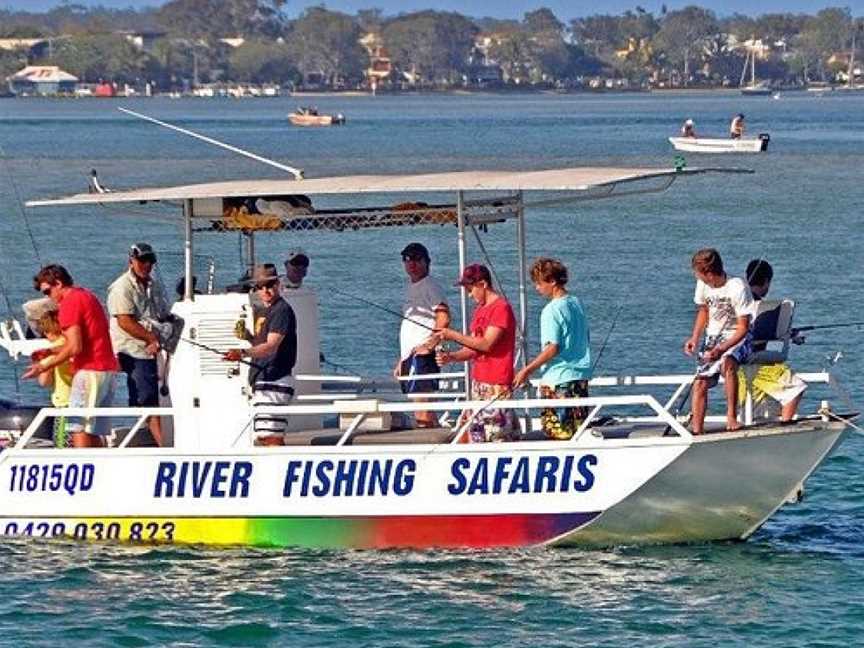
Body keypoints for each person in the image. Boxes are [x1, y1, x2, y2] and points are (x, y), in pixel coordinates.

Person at [23, 264, 118, 448]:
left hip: (89, 370)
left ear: (58, 283)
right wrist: (51, 352)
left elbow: (74, 346)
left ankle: (85, 471)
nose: (47, 297)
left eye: (47, 291)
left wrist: (44, 366)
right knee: (94, 432)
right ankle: (99, 471)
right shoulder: (87, 296)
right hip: (106, 370)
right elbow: (81, 342)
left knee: (77, 428)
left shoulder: (69, 303)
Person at [435, 264, 517, 442]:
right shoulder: (479, 310)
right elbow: (473, 347)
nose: (469, 294)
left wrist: (452, 334)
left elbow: (486, 344)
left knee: (497, 434)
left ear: (483, 284)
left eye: (470, 289)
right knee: (476, 435)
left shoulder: (501, 308)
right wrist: (452, 357)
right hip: (478, 382)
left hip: (497, 383)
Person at [513, 258, 592, 440]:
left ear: (552, 281)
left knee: (558, 433)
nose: (537, 288)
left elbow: (552, 348)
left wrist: (526, 370)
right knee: (577, 433)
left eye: (539, 283)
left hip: (559, 379)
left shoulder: (551, 310)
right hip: (579, 378)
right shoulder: (576, 303)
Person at [225, 264, 297, 446]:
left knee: (271, 436)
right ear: (255, 289)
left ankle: (279, 469)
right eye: (260, 286)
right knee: (263, 436)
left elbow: (271, 346)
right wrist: (248, 337)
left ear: (277, 284)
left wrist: (241, 353)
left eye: (270, 285)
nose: (266, 290)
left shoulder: (282, 310)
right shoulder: (261, 310)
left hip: (275, 377)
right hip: (261, 377)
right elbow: (261, 343)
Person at [107, 243, 170, 446]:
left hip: (154, 348)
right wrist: (151, 339)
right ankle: (163, 447)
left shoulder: (155, 285)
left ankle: (156, 439)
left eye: (150, 261)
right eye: (142, 260)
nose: (146, 265)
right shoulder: (121, 287)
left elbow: (164, 313)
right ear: (131, 261)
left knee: (150, 395)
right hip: (131, 350)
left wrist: (162, 334)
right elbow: (124, 321)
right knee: (147, 398)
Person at [683, 248, 752, 434]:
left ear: (710, 273)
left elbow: (744, 327)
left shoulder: (737, 287)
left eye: (699, 274)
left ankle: (731, 417)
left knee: (727, 363)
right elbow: (704, 311)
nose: (698, 278)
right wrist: (695, 337)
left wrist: (722, 349)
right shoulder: (702, 286)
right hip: (713, 336)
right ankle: (697, 429)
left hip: (737, 335)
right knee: (700, 382)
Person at [738, 259, 806, 421]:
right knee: (796, 388)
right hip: (755, 363)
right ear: (767, 281)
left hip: (736, 364)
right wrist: (791, 335)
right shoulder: (763, 306)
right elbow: (766, 332)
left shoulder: (738, 303)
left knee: (755, 412)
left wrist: (788, 333)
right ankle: (786, 429)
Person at [393, 242, 450, 428]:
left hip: (422, 355)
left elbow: (443, 316)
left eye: (417, 258)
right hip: (410, 354)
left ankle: (427, 439)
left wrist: (430, 345)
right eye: (407, 259)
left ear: (427, 262)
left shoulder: (430, 285)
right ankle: (433, 437)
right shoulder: (410, 286)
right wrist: (401, 359)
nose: (412, 263)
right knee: (418, 403)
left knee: (422, 404)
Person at [34, 309, 74, 448]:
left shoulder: (53, 350)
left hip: (64, 403)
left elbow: (44, 381)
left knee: (63, 445)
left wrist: (42, 365)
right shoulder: (73, 344)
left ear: (46, 332)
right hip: (83, 400)